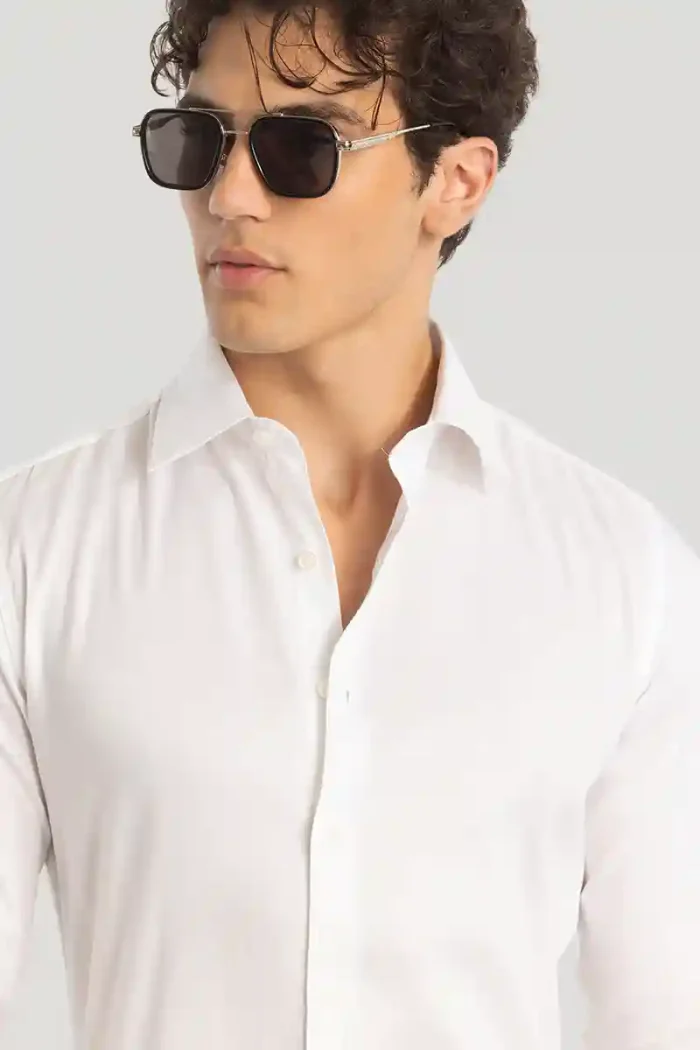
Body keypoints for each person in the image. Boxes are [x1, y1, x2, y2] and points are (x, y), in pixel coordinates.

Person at [1, 2, 698, 1048]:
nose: (229, 197)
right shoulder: (33, 552)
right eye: (199, 140)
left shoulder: (625, 579)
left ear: (456, 182)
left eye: (301, 148)